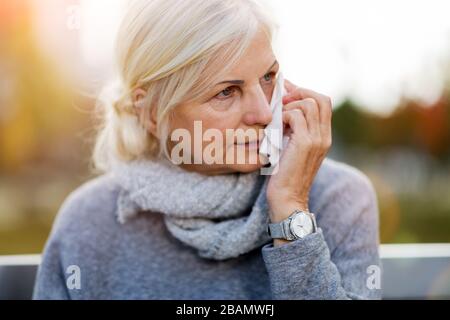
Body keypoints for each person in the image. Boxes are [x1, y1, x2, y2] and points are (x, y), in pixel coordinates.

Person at [33, 0, 381, 300]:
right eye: (226, 92)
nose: (262, 112)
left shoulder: (339, 198)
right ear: (151, 112)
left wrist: (291, 209)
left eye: (268, 77)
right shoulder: (88, 224)